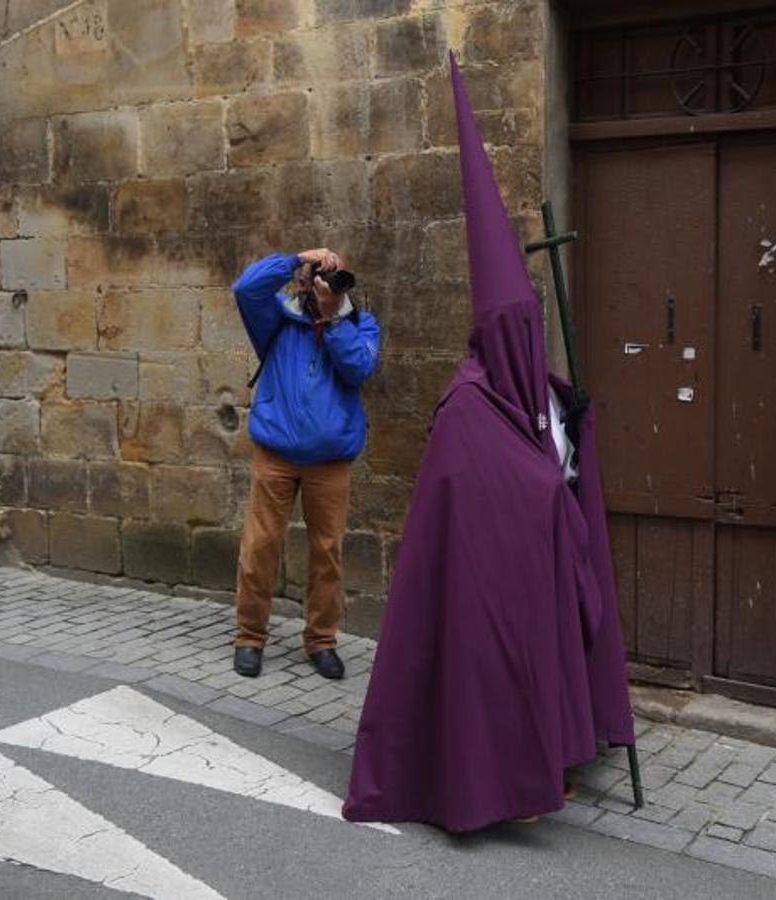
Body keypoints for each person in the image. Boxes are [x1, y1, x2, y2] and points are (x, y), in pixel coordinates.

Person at [342, 54, 633, 832]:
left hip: (544, 566)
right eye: (511, 333)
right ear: (487, 333)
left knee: (556, 648)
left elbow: (550, 451)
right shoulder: (465, 405)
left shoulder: (531, 384)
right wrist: (542, 487)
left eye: (528, 330)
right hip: (486, 591)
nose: (522, 341)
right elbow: (484, 489)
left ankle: (558, 753)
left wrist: (576, 425)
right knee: (493, 667)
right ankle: (487, 783)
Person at [230, 248, 380, 680]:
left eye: (336, 276)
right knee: (260, 546)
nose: (326, 284)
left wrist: (333, 318)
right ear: (303, 280)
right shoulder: (277, 319)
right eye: (320, 276)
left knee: (327, 553)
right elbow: (245, 288)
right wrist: (296, 258)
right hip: (275, 453)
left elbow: (359, 368)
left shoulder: (359, 324)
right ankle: (249, 637)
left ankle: (321, 640)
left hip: (329, 461)